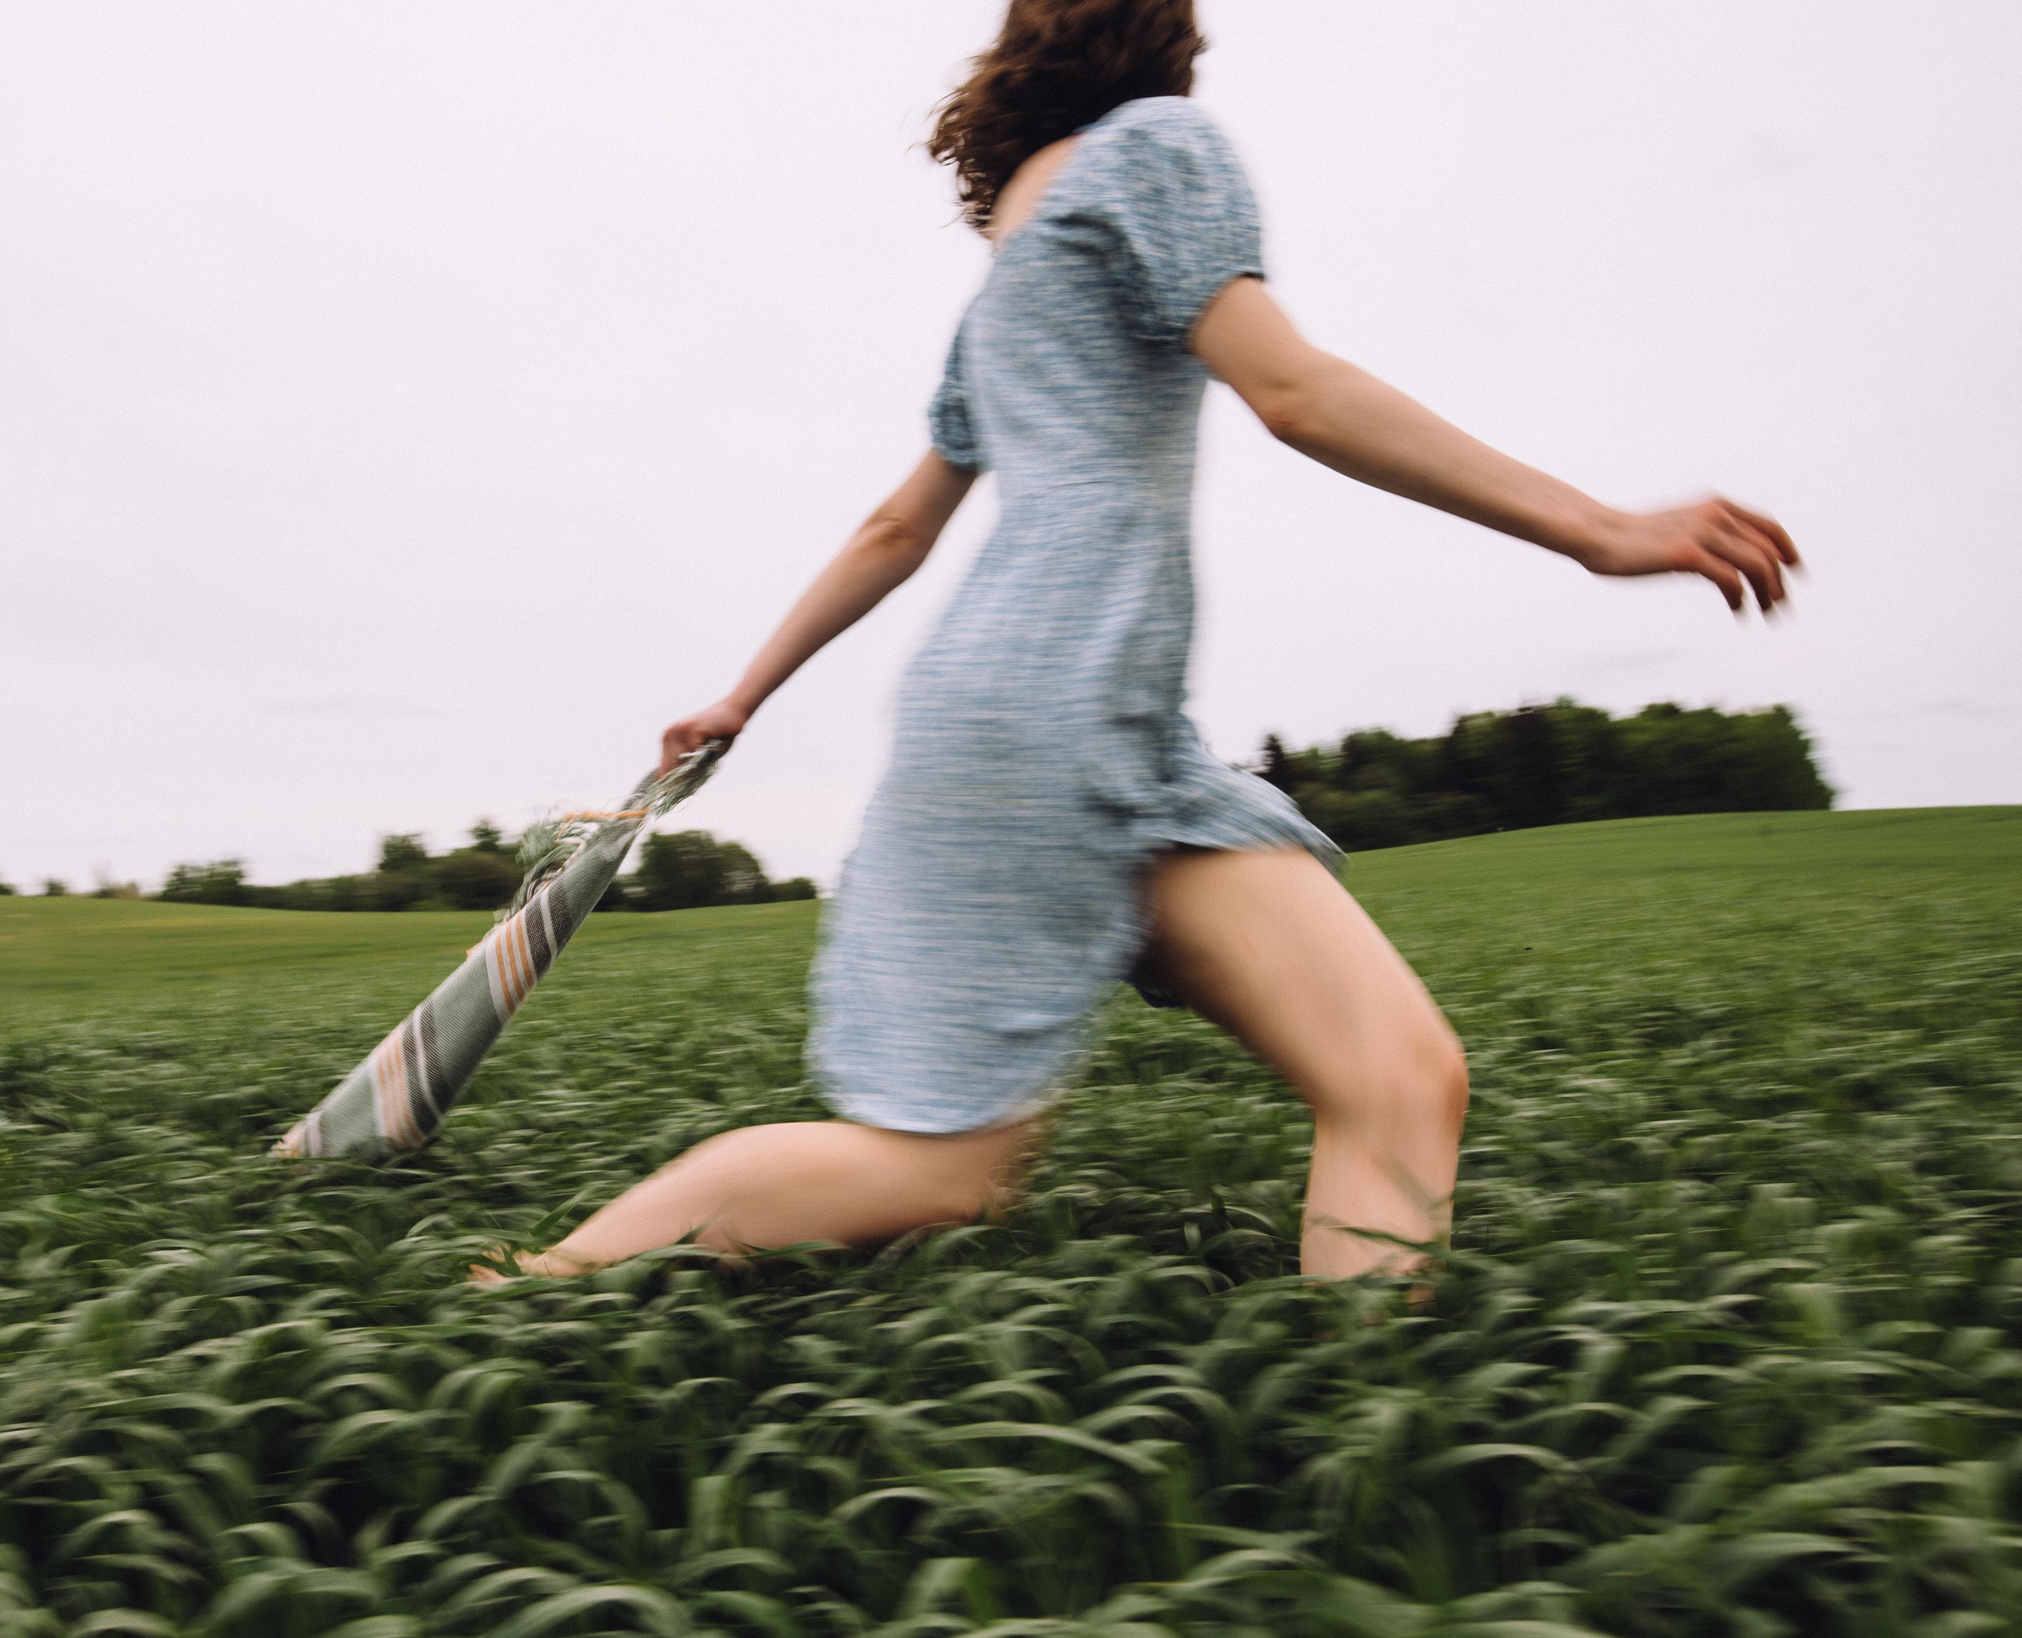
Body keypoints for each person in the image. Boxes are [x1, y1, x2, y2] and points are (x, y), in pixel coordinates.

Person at [485, 0, 1795, 1284]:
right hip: (1068, 700)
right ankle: (544, 1282)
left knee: (1390, 1077)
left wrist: (742, 695)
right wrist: (1596, 528)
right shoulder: (1157, 148)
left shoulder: (1008, 275)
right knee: (964, 1163)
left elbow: (897, 527)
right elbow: (1294, 390)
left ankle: (1365, 1424)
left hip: (1049, 721)